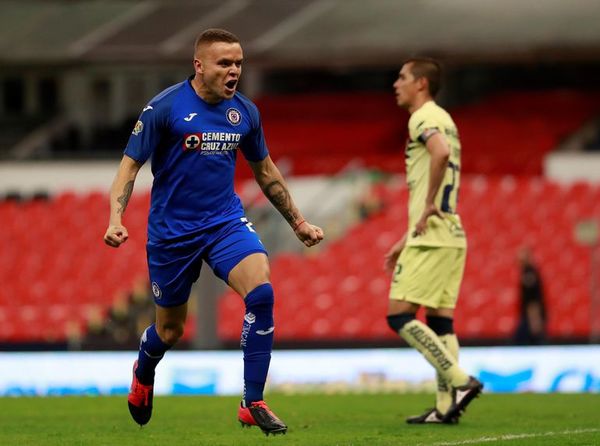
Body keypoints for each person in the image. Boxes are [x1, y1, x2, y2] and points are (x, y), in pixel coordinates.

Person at [103, 28, 324, 435]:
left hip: (224, 223)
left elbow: (266, 172)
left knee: (261, 293)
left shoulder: (245, 113)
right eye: (225, 63)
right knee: (169, 331)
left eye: (239, 63)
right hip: (172, 234)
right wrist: (116, 219)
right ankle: (144, 367)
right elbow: (128, 168)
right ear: (199, 66)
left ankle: (251, 400)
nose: (234, 70)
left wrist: (298, 221)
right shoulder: (164, 108)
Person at [383, 57, 482, 425]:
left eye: (402, 77)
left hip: (433, 235)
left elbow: (438, 152)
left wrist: (425, 207)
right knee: (441, 321)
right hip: (451, 234)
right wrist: (403, 239)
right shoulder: (446, 119)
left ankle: (459, 382)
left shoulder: (422, 117)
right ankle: (445, 408)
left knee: (398, 315)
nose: (396, 83)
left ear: (421, 83)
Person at [514, 247, 546, 345]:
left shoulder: (530, 273)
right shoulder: (526, 272)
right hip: (528, 314)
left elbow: (532, 298)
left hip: (531, 316)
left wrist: (534, 318)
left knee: (526, 341)